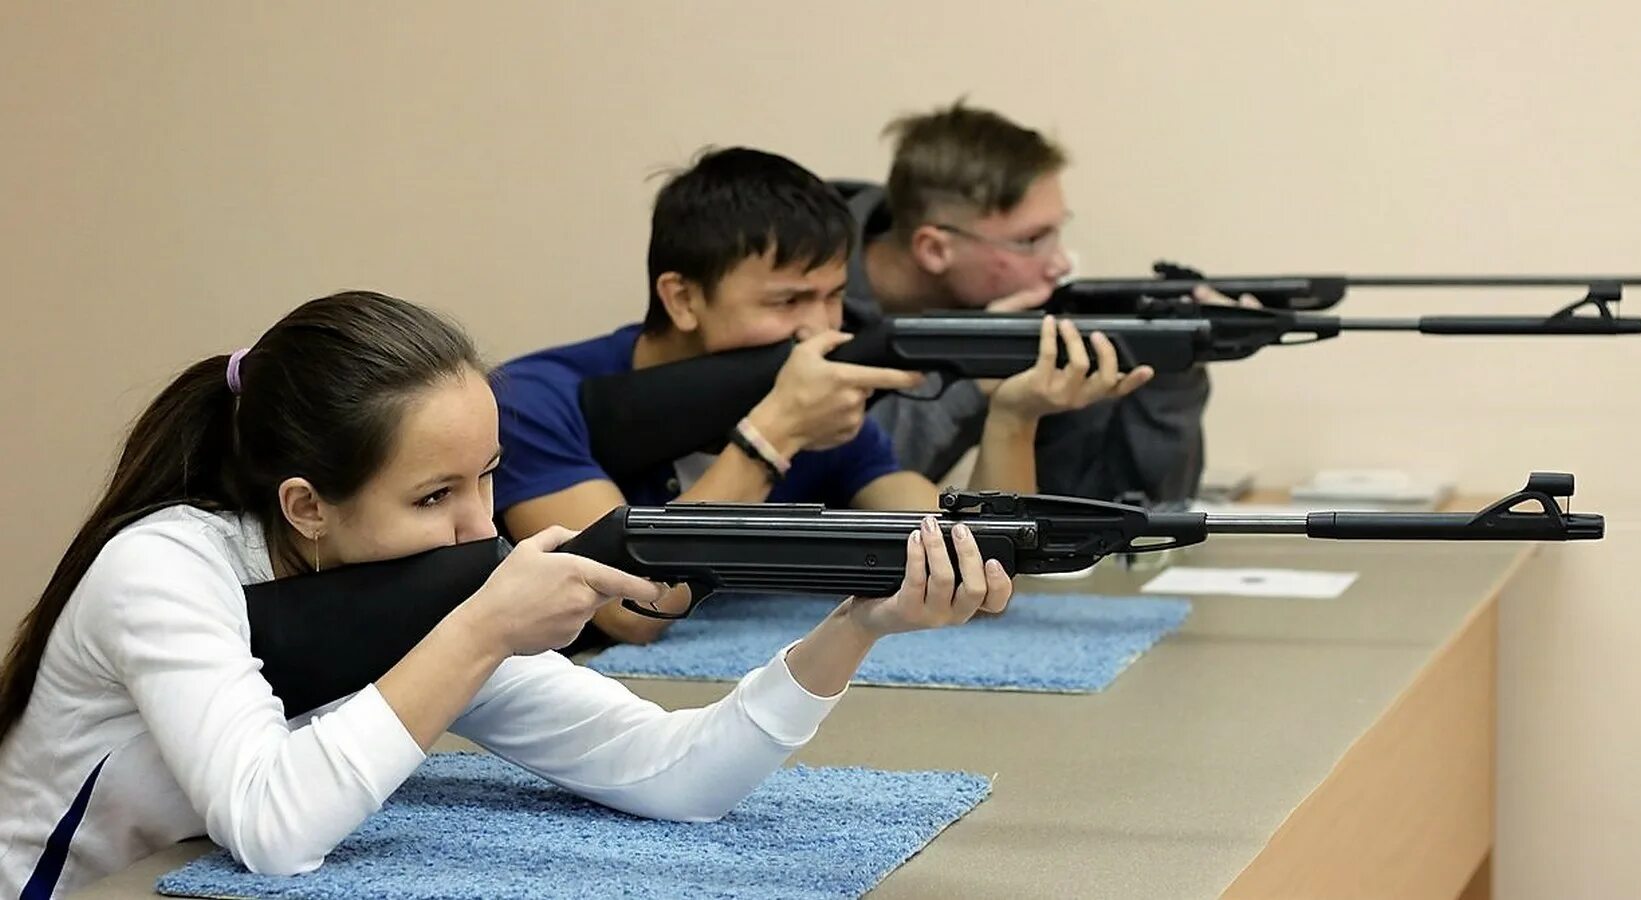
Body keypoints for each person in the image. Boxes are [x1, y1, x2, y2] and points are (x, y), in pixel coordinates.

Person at [0, 291, 1014, 896]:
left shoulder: (420, 595)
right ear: (307, 506)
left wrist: (856, 627)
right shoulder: (162, 569)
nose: (483, 527)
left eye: (489, 476)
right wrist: (483, 623)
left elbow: (676, 775)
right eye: (436, 494)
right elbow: (272, 830)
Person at [492, 148, 1153, 649]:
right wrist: (771, 435)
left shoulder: (824, 403)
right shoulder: (534, 404)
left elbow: (971, 572)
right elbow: (627, 615)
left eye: (834, 295)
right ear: (682, 298)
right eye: (787, 301)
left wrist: (1013, 416)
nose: (820, 328)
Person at [837, 100, 1220, 503]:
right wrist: (968, 383)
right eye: (1030, 240)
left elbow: (1100, 512)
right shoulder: (796, 296)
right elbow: (821, 482)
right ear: (934, 250)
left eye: (1056, 232)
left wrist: (1174, 367)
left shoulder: (1009, 311)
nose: (1058, 263)